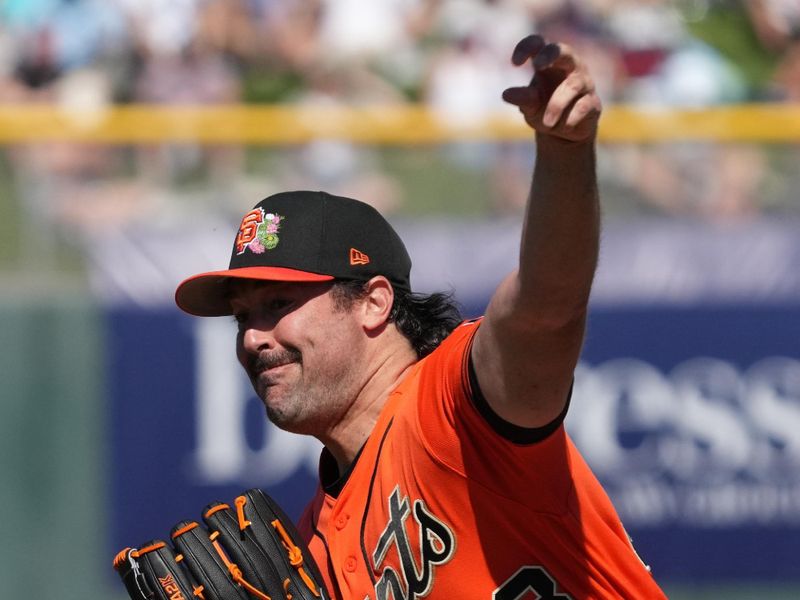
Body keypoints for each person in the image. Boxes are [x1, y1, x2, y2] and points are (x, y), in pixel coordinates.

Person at [174, 34, 667, 599]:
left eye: (278, 305)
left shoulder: (456, 407)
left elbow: (546, 308)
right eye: (241, 318)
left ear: (374, 302)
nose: (254, 338)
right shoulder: (313, 542)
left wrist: (564, 151)